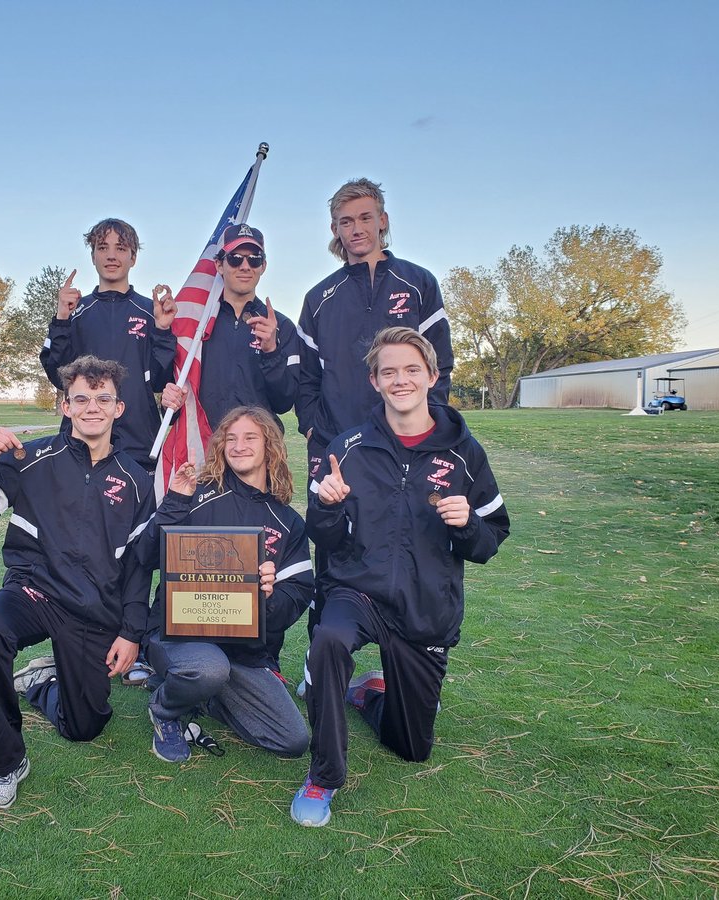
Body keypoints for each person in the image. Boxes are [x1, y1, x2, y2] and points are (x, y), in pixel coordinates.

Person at [290, 327, 510, 827]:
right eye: (389, 371)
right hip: (357, 590)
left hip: (424, 605)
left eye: (412, 369)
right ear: (374, 380)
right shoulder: (348, 447)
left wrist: (468, 524)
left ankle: (370, 694)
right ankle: (323, 776)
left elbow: (492, 538)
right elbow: (325, 537)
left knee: (410, 748)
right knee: (328, 639)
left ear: (432, 376)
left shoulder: (464, 453)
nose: (401, 379)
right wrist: (327, 507)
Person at [0, 356, 157, 810]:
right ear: (65, 406)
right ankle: (5, 763)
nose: (92, 407)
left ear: (118, 408)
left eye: (102, 398)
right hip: (33, 591)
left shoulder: (137, 480)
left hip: (94, 608)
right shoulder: (30, 461)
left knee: (84, 727)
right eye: (81, 398)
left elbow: (138, 567)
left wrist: (130, 633)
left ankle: (39, 684)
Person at [293, 179, 457, 691]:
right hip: (341, 452)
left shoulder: (418, 283)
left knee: (406, 548)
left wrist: (423, 433)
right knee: (334, 552)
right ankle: (321, 665)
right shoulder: (319, 297)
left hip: (407, 454)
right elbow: (306, 380)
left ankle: (398, 665)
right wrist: (321, 433)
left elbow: (440, 366)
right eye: (345, 221)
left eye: (365, 218)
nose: (356, 229)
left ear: (383, 220)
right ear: (334, 230)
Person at [140, 406, 313, 763]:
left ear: (270, 445)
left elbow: (296, 596)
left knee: (292, 740)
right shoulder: (198, 493)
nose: (239, 446)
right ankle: (166, 708)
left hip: (243, 653)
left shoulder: (288, 521)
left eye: (250, 437)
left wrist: (267, 596)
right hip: (179, 636)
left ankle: (206, 694)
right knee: (208, 667)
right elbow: (144, 556)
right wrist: (174, 502)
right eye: (230, 438)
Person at [40, 218, 177, 471]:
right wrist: (60, 320)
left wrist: (163, 331)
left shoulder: (151, 312)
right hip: (82, 443)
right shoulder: (75, 311)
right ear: (92, 256)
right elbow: (57, 375)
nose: (111, 256)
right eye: (103, 248)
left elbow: (161, 379)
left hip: (139, 445)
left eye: (121, 248)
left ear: (133, 258)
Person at [160, 224, 300, 431]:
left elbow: (284, 402)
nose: (245, 266)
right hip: (206, 446)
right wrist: (168, 400)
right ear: (218, 265)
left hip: (260, 450)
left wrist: (271, 352)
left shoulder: (281, 326)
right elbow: (170, 394)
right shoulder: (197, 325)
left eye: (254, 260)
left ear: (263, 266)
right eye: (235, 259)